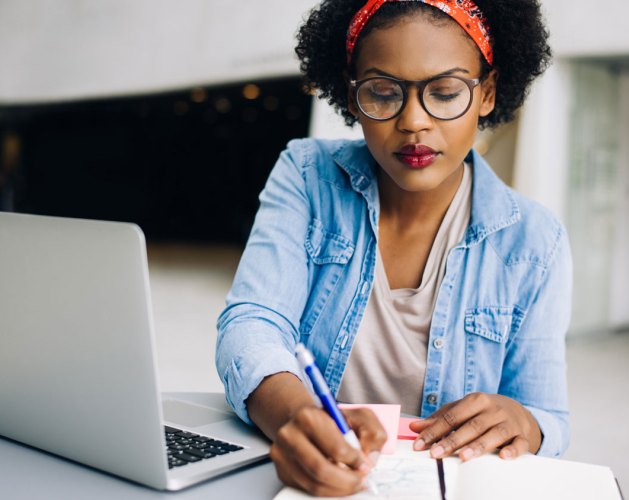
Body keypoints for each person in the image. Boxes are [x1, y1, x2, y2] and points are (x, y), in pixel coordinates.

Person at [216, 0, 568, 496]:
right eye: (383, 93)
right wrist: (300, 416)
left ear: (487, 93)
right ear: (350, 93)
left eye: (445, 93)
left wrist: (525, 422)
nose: (413, 122)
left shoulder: (536, 241)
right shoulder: (307, 175)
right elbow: (253, 321)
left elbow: (549, 415)